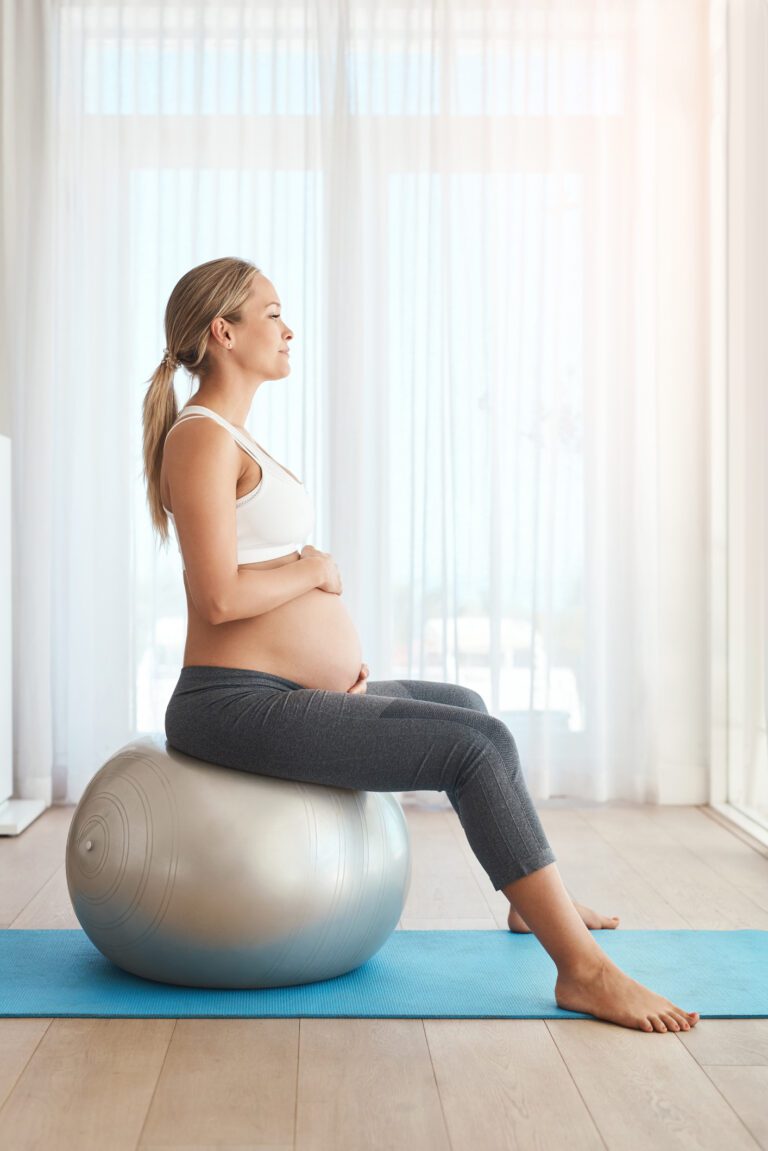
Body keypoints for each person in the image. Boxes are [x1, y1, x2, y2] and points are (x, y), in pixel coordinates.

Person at [141, 255, 699, 1034]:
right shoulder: (200, 438)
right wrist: (314, 569)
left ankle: (530, 900)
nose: (289, 328)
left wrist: (323, 659)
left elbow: (249, 580)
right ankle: (583, 970)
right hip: (230, 705)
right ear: (223, 332)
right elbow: (218, 597)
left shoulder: (229, 435)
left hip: (280, 691)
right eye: (272, 314)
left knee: (467, 705)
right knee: (476, 747)